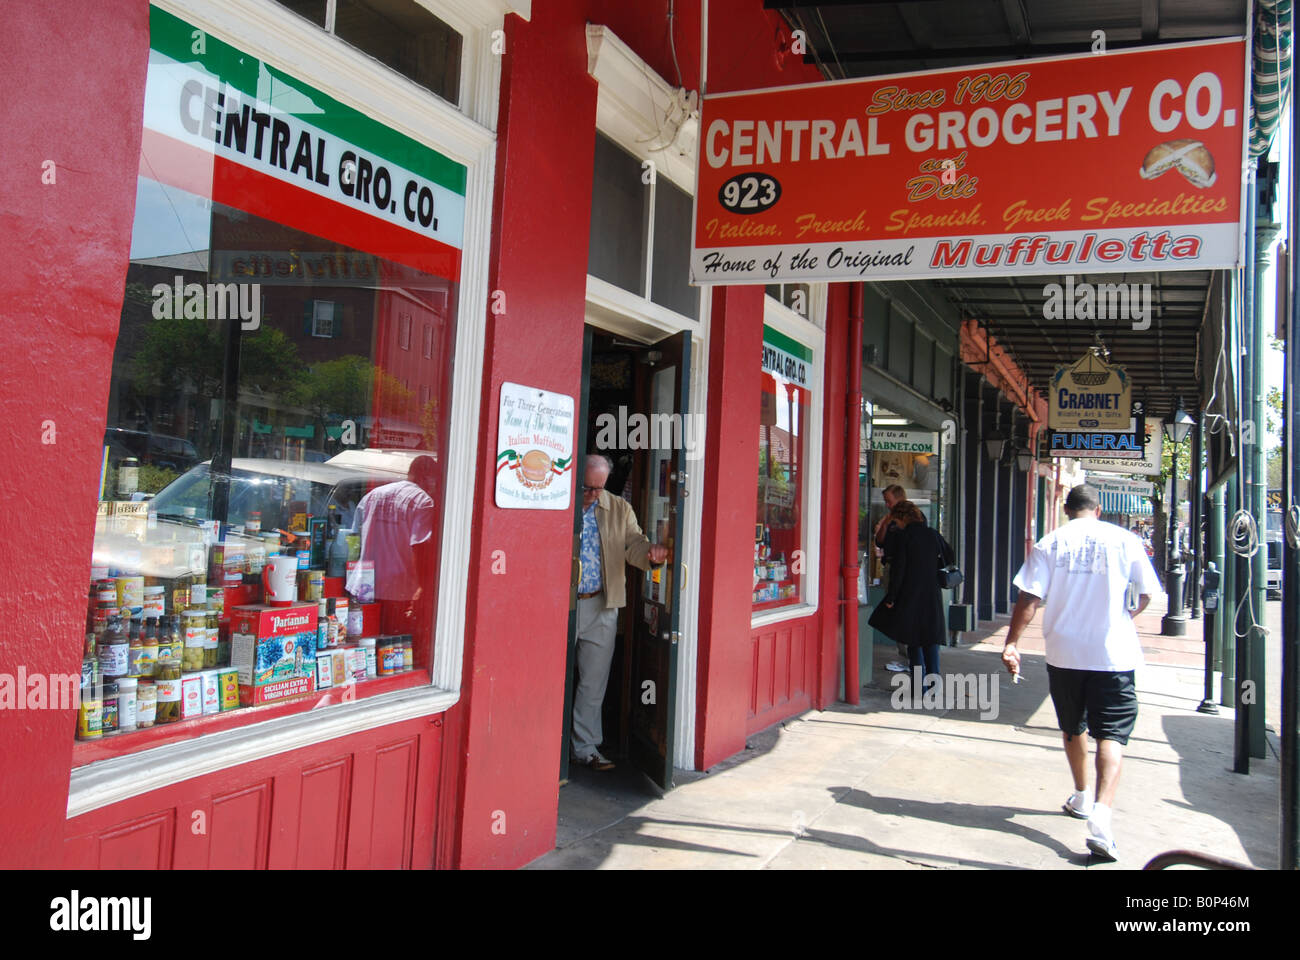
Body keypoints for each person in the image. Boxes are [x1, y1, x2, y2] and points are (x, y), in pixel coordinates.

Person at [1001, 484, 1161, 861]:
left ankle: (1082, 795)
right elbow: (1147, 594)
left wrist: (1012, 642)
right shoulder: (1125, 540)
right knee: (1113, 734)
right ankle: (1102, 819)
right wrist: (1125, 618)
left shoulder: (1050, 542)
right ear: (1099, 509)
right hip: (1113, 655)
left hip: (1065, 651)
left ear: (1067, 509)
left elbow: (1029, 597)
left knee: (1073, 726)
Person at [572, 454, 669, 770]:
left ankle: (585, 748)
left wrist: (653, 555)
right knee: (551, 678)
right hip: (564, 605)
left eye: (599, 488)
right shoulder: (562, 500)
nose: (593, 495)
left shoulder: (618, 508)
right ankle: (546, 749)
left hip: (602, 604)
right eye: (587, 488)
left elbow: (635, 546)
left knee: (593, 683)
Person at [348, 454, 438, 643]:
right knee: (393, 648)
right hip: (400, 589)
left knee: (362, 643)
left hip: (364, 585)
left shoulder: (373, 495)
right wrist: (422, 586)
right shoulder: (424, 501)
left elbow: (352, 539)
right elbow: (420, 547)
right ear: (427, 477)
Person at [880, 500, 954, 703]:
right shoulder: (932, 534)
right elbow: (950, 555)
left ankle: (918, 688)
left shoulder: (905, 537)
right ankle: (933, 687)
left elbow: (899, 570)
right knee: (931, 640)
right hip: (931, 593)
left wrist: (892, 597)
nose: (897, 524)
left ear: (903, 518)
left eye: (897, 520)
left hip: (911, 593)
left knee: (914, 641)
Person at [873, 484, 909, 668]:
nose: (887, 505)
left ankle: (909, 657)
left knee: (901, 611)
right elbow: (879, 541)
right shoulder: (890, 519)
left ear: (900, 499)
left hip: (903, 570)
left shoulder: (911, 519)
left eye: (889, 501)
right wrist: (886, 522)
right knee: (895, 612)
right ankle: (905, 655)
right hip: (891, 566)